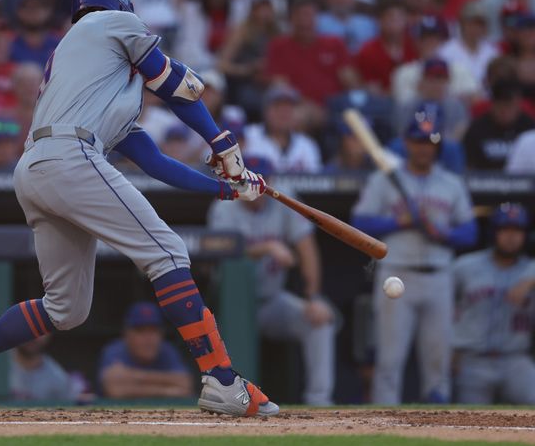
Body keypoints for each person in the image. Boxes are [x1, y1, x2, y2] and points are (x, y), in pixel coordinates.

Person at [0, 0, 279, 418]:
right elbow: (174, 83)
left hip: (38, 168)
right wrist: (222, 141)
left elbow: (156, 163)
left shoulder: (96, 81)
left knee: (65, 308)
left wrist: (228, 188)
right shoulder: (111, 22)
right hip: (71, 157)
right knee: (167, 251)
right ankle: (221, 379)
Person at [352, 108, 478, 405]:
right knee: (389, 360)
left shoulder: (451, 183)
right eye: (418, 141)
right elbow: (359, 223)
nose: (423, 148)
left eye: (429, 142)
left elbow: (470, 233)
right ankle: (383, 426)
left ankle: (437, 429)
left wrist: (440, 233)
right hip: (397, 271)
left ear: (437, 146)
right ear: (407, 143)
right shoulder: (385, 180)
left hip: (438, 276)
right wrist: (400, 223)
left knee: (438, 360)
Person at [208, 157, 335, 406]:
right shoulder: (224, 205)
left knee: (319, 322)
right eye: (248, 181)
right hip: (230, 307)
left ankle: (320, 401)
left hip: (271, 301)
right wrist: (266, 248)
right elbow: (219, 252)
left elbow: (307, 248)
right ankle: (233, 401)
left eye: (261, 181)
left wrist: (313, 298)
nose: (255, 188)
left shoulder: (284, 200)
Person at [451, 203, 535, 405]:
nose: (511, 236)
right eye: (505, 229)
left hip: (516, 360)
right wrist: (450, 351)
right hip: (474, 360)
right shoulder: (464, 266)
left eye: (517, 231)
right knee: (467, 424)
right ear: (493, 233)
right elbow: (440, 311)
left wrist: (532, 280)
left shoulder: (531, 269)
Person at [98, 302, 193, 399]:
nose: (148, 338)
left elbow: (186, 384)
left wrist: (133, 375)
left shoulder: (167, 350)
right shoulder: (115, 350)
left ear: (161, 333)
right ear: (126, 334)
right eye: (140, 331)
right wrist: (166, 390)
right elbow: (114, 390)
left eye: (153, 330)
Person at [244, 86, 322, 173]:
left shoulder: (307, 145)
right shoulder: (248, 136)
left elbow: (316, 183)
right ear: (265, 110)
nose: (283, 113)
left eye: (288, 108)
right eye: (277, 107)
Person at [463, 79, 535, 170]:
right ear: (492, 105)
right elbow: (469, 165)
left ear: (518, 105)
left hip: (523, 183)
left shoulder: (529, 127)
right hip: (484, 182)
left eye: (509, 106)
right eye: (500, 106)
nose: (505, 111)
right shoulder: (477, 129)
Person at [10, 334, 82, 402]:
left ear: (49, 334)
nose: (33, 335)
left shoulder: (58, 378)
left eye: (39, 330)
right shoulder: (0, 359)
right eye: (27, 328)